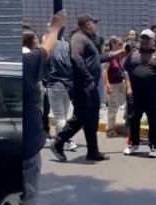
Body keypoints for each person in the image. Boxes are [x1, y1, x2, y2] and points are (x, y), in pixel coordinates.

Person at [51, 14, 123, 162]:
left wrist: (114, 54)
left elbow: (97, 59)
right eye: (93, 23)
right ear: (86, 24)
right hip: (83, 86)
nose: (95, 25)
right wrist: (88, 78)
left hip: (90, 87)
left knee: (92, 119)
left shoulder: (87, 39)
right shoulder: (78, 37)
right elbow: (76, 58)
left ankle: (93, 151)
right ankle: (58, 142)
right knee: (81, 118)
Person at [23, 12, 64, 205]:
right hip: (26, 146)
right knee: (28, 198)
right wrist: (56, 26)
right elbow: (47, 49)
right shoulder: (25, 64)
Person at [123, 30, 156, 158]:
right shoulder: (134, 52)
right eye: (143, 38)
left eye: (148, 38)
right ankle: (134, 144)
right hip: (136, 94)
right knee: (134, 119)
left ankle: (153, 146)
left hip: (152, 95)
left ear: (153, 40)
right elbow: (125, 70)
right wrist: (128, 87)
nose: (145, 41)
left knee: (153, 121)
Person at [44, 28, 76, 151]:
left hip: (54, 84)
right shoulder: (67, 46)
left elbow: (45, 64)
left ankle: (66, 141)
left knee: (59, 116)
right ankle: (60, 140)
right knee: (64, 114)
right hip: (67, 85)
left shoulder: (49, 46)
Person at [103, 36, 130, 138]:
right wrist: (108, 85)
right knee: (113, 107)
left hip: (120, 83)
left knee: (129, 99)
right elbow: (104, 71)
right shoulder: (109, 57)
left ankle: (126, 117)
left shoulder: (119, 56)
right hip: (113, 85)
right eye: (119, 44)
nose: (121, 46)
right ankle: (109, 129)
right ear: (113, 44)